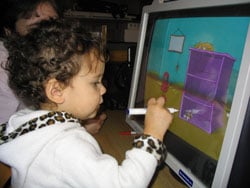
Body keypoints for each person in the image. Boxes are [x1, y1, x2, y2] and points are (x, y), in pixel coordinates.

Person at [0, 18, 173, 187]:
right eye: (95, 82)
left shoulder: (27, 120)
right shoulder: (67, 147)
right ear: (56, 91)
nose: (103, 89)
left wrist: (81, 128)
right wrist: (152, 135)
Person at [0, 0, 106, 134]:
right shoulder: (3, 65)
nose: (50, 38)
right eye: (36, 29)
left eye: (54, 26)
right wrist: (72, 132)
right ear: (9, 31)